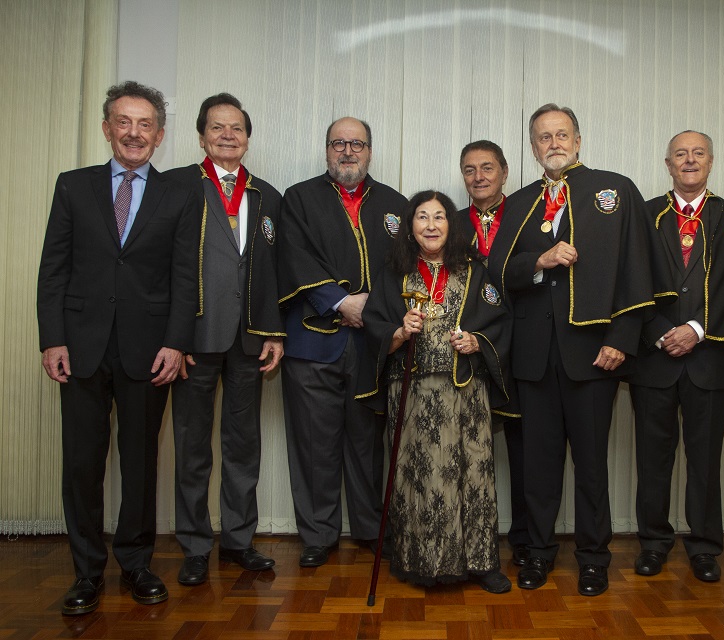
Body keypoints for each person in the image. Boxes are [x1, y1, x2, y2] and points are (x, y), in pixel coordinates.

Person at [487, 103, 669, 596]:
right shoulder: (521, 201)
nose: (554, 144)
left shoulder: (615, 190)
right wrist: (540, 261)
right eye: (543, 137)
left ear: (579, 139)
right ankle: (539, 554)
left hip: (594, 354)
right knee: (538, 466)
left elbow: (638, 272)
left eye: (561, 134)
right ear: (532, 147)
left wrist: (621, 340)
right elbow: (499, 273)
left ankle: (593, 559)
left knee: (591, 466)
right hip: (534, 357)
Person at [37, 81, 200, 614]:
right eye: (123, 123)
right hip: (80, 347)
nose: (134, 133)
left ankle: (136, 563)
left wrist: (177, 344)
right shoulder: (73, 186)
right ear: (107, 128)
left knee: (140, 461)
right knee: (82, 463)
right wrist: (53, 338)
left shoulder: (179, 194)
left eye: (145, 124)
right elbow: (53, 270)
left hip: (147, 350)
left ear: (158, 135)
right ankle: (86, 572)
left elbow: (184, 276)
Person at [358, 190, 512, 593]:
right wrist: (397, 331)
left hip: (465, 389)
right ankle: (424, 561)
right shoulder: (393, 272)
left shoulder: (477, 269)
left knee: (474, 472)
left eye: (439, 217)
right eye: (422, 217)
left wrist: (478, 341)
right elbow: (374, 322)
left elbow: (500, 319)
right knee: (421, 476)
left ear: (451, 224)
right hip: (411, 392)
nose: (430, 225)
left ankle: (481, 563)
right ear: (410, 227)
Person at [164, 93, 284, 585]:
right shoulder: (176, 187)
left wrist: (274, 330)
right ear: (201, 136)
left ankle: (238, 540)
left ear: (248, 138)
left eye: (236, 128)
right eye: (218, 128)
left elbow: (275, 269)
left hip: (249, 337)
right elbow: (160, 268)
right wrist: (172, 337)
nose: (228, 135)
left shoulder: (267, 195)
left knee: (243, 444)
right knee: (193, 445)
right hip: (194, 335)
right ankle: (194, 545)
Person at [278, 117, 407, 567]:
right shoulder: (298, 198)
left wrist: (376, 314)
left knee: (368, 444)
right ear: (326, 149)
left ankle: (373, 531)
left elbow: (405, 271)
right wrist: (339, 302)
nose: (348, 151)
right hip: (313, 344)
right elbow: (293, 256)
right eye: (339, 143)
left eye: (357, 144)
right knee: (314, 445)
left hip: (374, 348)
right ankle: (317, 535)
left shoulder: (396, 204)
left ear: (370, 151)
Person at [628, 131, 724, 583]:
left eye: (699, 153)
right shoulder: (641, 217)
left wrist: (697, 330)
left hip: (712, 362)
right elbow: (628, 283)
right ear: (668, 164)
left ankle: (704, 548)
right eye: (681, 154)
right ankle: (654, 544)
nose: (690, 160)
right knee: (652, 460)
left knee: (704, 460)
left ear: (711, 162)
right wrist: (661, 332)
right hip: (653, 362)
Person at [457, 140, 531, 567]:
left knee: (523, 449)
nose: (479, 176)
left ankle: (523, 537)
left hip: (521, 348)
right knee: (465, 447)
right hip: (468, 350)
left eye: (487, 167)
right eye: (470, 169)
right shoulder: (449, 222)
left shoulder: (525, 216)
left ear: (504, 171)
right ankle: (464, 535)